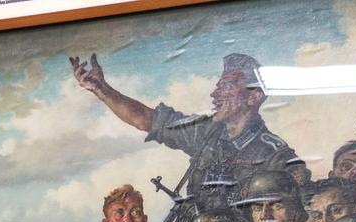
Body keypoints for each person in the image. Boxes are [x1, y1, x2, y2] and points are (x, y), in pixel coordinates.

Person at [71, 50, 306, 209]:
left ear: (254, 97)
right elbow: (145, 119)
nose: (215, 94)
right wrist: (101, 89)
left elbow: (301, 213)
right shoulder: (204, 132)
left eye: (226, 86)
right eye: (217, 87)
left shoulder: (275, 153)